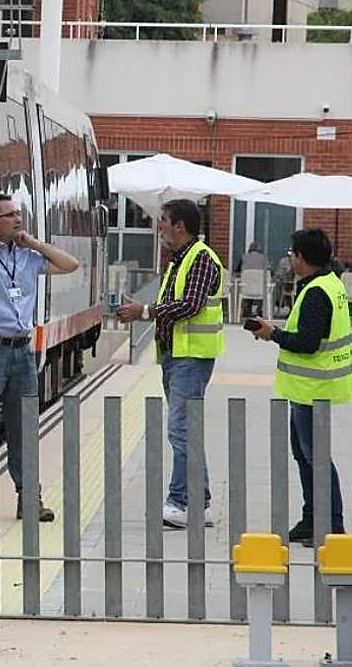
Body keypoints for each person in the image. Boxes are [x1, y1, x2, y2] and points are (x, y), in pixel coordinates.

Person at [0, 193, 80, 524]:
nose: (18, 219)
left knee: (24, 425)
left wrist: (36, 243)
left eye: (18, 214)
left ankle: (30, 499)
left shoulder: (27, 256)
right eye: (10, 215)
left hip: (22, 349)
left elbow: (71, 264)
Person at [117, 199, 224, 529]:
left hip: (191, 357)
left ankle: (180, 502)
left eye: (163, 220)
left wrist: (145, 312)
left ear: (179, 226)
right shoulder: (180, 259)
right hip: (178, 355)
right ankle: (199, 503)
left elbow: (189, 306)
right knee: (185, 430)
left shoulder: (201, 259)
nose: (159, 226)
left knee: (181, 430)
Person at [249, 228, 352, 547]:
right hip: (307, 387)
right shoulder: (325, 284)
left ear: (302, 258)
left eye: (291, 253)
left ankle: (331, 524)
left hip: (313, 387)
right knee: (304, 455)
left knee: (316, 456)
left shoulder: (317, 291)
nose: (290, 257)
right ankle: (312, 520)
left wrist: (273, 334)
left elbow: (307, 343)